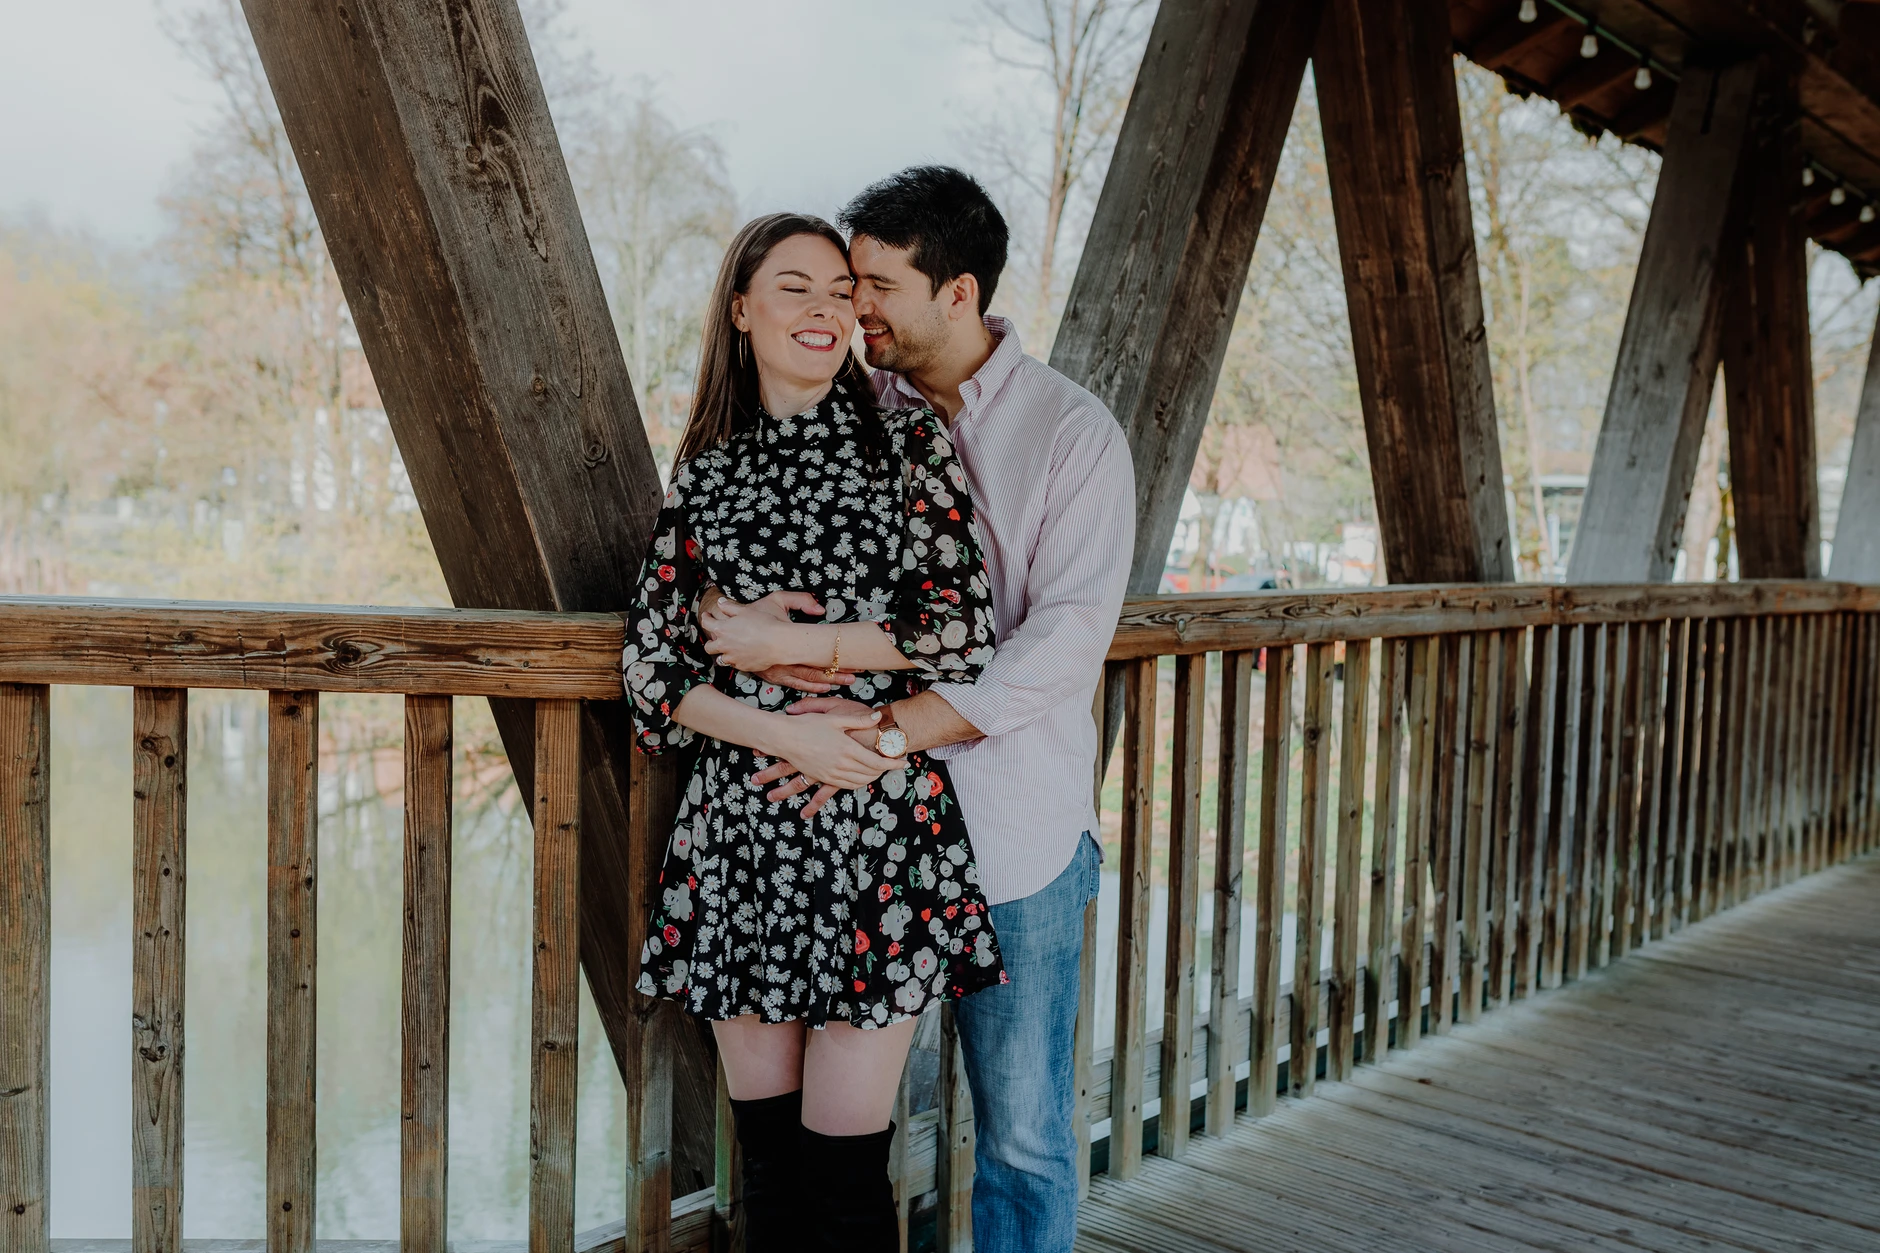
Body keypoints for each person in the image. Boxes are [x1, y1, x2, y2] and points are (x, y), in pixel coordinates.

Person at [704, 168, 1134, 1252]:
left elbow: (1059, 645)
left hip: (1004, 834)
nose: (854, 310)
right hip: (853, 835)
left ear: (959, 292)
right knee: (838, 1139)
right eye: (845, 283)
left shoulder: (1070, 435)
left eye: (875, 285)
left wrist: (891, 734)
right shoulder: (859, 414)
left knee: (1024, 1136)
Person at [621, 211, 1007, 1252]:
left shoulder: (906, 439)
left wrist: (829, 649)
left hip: (873, 833)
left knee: (843, 1176)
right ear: (741, 309)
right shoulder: (706, 471)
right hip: (742, 837)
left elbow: (962, 628)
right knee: (773, 1178)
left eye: (841, 290)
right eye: (796, 287)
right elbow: (652, 671)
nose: (827, 307)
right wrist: (779, 734)